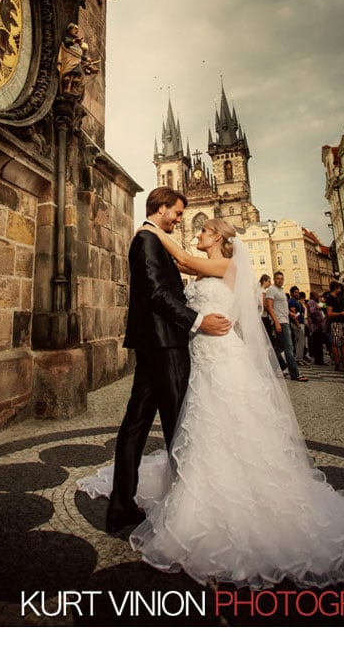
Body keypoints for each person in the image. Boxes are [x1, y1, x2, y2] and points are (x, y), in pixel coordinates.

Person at [78, 220, 344, 588]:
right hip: (201, 352)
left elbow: (186, 261)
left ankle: (229, 496)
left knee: (227, 418)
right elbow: (185, 269)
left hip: (220, 353)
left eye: (203, 232)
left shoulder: (226, 265)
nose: (197, 235)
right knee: (206, 423)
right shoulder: (215, 266)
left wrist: (154, 230)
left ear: (218, 238)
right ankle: (204, 482)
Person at [105, 187, 231, 533]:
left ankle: (122, 505)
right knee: (180, 426)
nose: (179, 219)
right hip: (165, 346)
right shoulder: (146, 239)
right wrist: (197, 320)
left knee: (137, 423)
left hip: (155, 345)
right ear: (160, 209)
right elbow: (159, 294)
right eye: (176, 213)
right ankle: (186, 512)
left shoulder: (152, 238)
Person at [265, 272, 309, 382]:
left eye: (282, 278)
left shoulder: (281, 291)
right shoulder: (272, 290)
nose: (280, 280)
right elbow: (269, 307)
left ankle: (266, 369)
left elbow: (282, 307)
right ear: (274, 279)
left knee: (278, 349)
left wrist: (290, 313)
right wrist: (276, 322)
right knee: (289, 348)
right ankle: (295, 374)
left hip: (285, 321)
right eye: (278, 278)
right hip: (280, 322)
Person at [325, 280, 344, 371]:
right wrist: (340, 313)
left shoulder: (337, 298)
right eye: (339, 288)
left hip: (342, 322)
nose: (340, 289)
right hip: (335, 323)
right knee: (336, 343)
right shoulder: (330, 298)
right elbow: (329, 313)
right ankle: (337, 363)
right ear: (336, 288)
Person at [306, 291, 326, 365]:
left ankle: (319, 360)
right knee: (317, 343)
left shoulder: (316, 302)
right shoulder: (311, 302)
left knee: (319, 343)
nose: (318, 296)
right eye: (317, 295)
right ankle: (318, 360)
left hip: (317, 325)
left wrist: (323, 304)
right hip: (315, 326)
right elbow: (313, 312)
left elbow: (323, 307)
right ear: (313, 295)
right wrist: (318, 323)